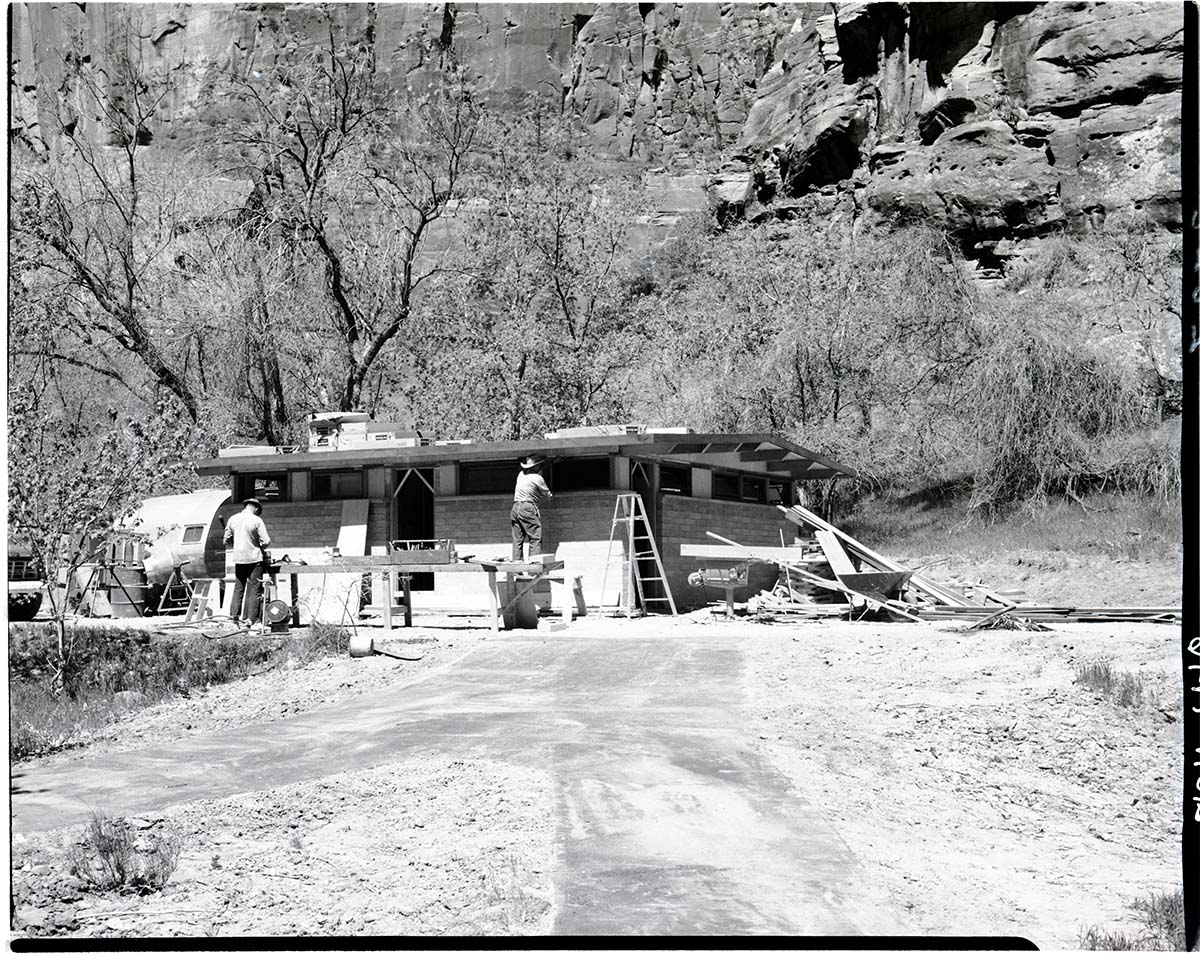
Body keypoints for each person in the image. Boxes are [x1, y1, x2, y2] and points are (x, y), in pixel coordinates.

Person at [223, 497, 271, 627]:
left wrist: (236, 542)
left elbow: (226, 540)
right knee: (255, 588)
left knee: (238, 588)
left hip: (239, 558)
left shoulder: (232, 519)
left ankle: (234, 618)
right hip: (255, 558)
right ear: (256, 508)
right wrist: (260, 546)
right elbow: (266, 541)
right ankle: (251, 620)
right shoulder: (256, 520)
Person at [511, 455, 552, 562]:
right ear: (537, 467)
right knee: (535, 538)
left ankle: (516, 570)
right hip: (528, 508)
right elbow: (547, 494)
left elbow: (534, 475)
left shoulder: (521, 475)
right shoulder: (538, 478)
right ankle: (534, 569)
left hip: (515, 508)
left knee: (517, 541)